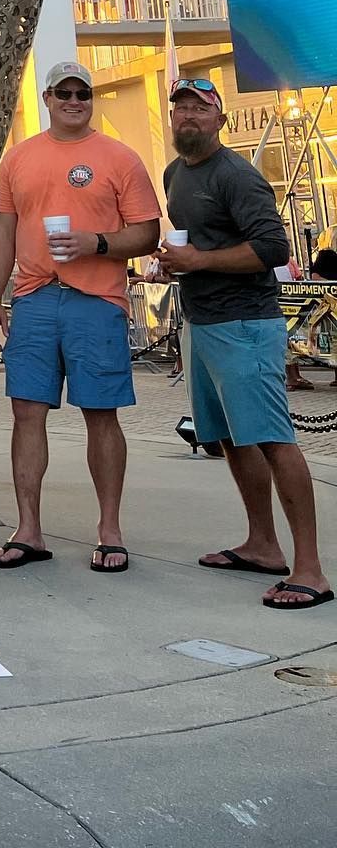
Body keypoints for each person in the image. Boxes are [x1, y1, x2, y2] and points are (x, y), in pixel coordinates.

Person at [0, 61, 161, 573]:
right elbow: (2, 233)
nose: (74, 100)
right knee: (26, 413)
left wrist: (96, 242)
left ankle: (109, 530)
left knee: (101, 414)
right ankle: (29, 530)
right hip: (35, 297)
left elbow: (147, 232)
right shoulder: (19, 158)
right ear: (47, 96)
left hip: (96, 300)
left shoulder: (119, 157)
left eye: (83, 93)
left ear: (91, 98)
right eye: (64, 92)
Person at [161, 78, 331, 610]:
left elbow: (272, 248)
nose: (187, 116)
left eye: (199, 108)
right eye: (180, 107)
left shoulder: (238, 175)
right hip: (205, 323)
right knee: (231, 438)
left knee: (275, 439)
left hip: (246, 326)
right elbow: (199, 245)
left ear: (220, 119)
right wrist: (174, 264)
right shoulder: (175, 173)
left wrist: (200, 261)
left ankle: (311, 570)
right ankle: (262, 544)